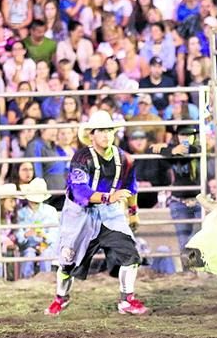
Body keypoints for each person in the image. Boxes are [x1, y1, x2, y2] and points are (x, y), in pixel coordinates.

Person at [44, 110, 146, 316]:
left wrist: (133, 212)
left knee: (130, 254)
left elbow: (130, 188)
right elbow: (80, 191)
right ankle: (61, 297)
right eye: (101, 131)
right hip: (80, 215)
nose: (106, 135)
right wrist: (110, 197)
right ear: (92, 134)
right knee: (66, 261)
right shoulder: (81, 158)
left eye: (109, 130)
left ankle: (127, 299)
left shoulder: (126, 160)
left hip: (110, 215)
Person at [160, 125, 202, 250]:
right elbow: (154, 151)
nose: (186, 138)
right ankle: (187, 269)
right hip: (179, 202)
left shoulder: (200, 148)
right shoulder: (173, 152)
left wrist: (170, 150)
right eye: (183, 135)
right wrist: (170, 151)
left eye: (189, 135)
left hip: (199, 201)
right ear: (177, 136)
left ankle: (199, 268)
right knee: (183, 241)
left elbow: (192, 149)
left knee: (200, 238)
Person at [16, 177, 59, 278]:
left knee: (46, 254)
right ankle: (26, 281)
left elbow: (55, 234)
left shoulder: (50, 211)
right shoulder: (20, 213)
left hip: (48, 245)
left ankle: (45, 280)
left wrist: (44, 237)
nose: (34, 202)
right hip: (28, 246)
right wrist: (25, 235)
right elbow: (18, 235)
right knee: (29, 254)